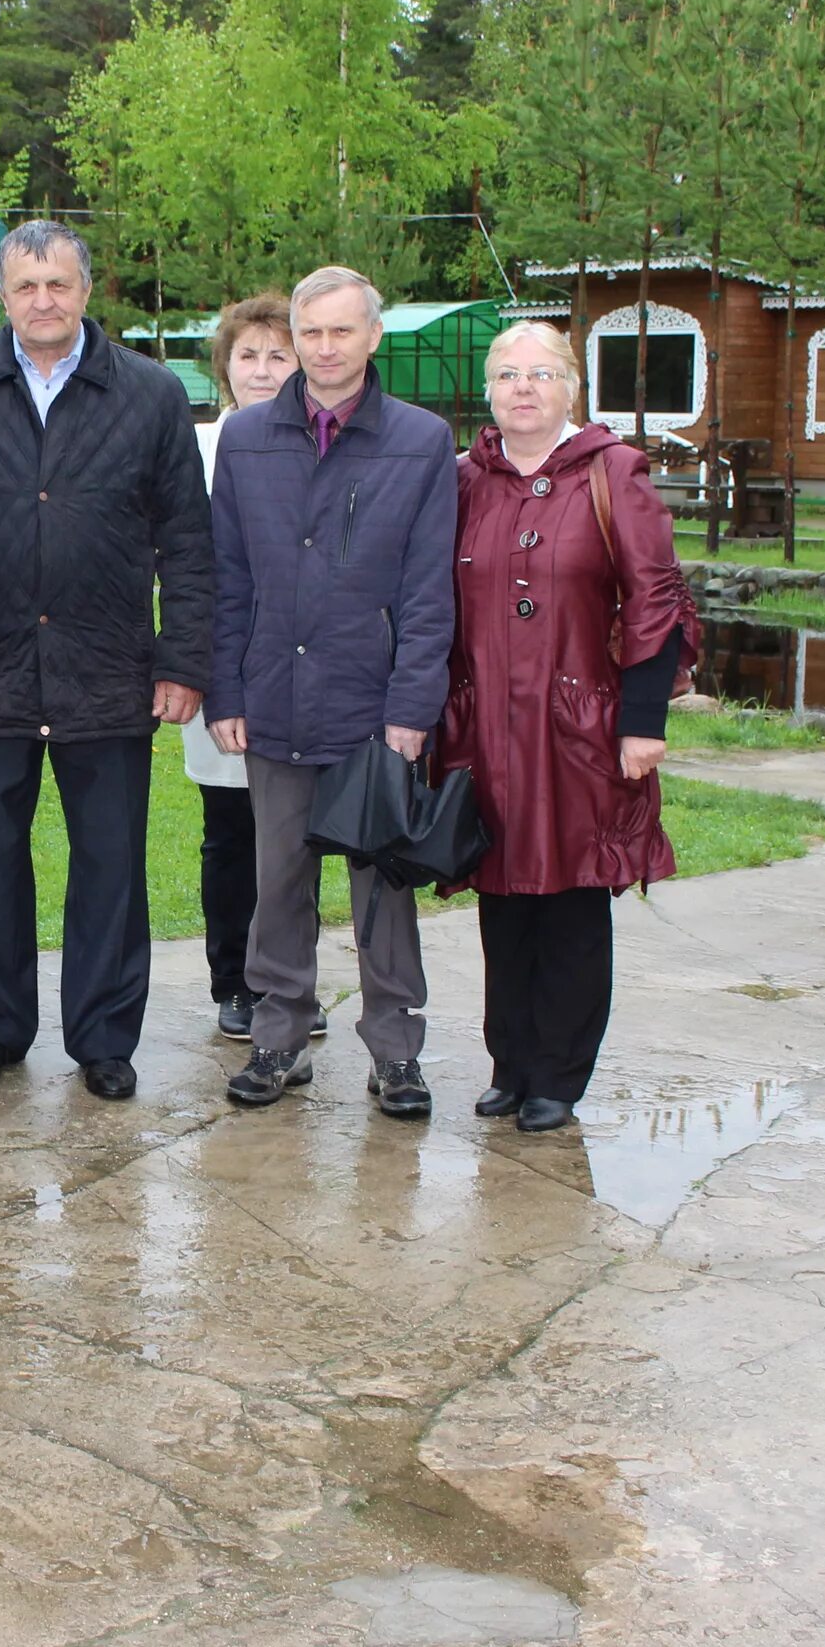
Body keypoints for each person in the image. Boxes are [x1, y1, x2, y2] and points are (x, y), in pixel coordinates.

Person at [0, 221, 212, 1101]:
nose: (44, 300)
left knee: (109, 863)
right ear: (1, 294)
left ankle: (105, 1038)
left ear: (86, 290)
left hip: (109, 669)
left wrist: (183, 659)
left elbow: (189, 540)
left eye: (60, 284)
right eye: (27, 285)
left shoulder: (149, 394)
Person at [433, 320, 698, 1133]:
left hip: (578, 724)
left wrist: (643, 721)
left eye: (541, 373)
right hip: (484, 724)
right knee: (502, 897)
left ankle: (558, 1075)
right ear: (488, 391)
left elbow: (654, 597)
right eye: (508, 373)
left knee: (574, 899)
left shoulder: (614, 474)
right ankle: (509, 1064)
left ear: (571, 388)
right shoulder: (460, 481)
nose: (523, 387)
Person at [208, 267, 458, 1120]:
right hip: (274, 697)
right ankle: (278, 1036)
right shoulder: (245, 440)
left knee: (381, 890)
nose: (323, 348)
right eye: (310, 332)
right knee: (279, 880)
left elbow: (430, 592)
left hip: (371, 705)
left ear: (372, 337)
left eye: (340, 331)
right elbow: (226, 579)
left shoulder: (421, 441)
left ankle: (396, 1053)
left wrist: (410, 709)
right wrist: (227, 690)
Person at [184, 294, 295, 1042]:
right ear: (225, 366)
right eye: (247, 355)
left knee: (294, 836)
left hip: (303, 671)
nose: (261, 369)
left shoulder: (320, 444)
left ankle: (288, 978)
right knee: (230, 832)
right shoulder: (195, 449)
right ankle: (235, 981)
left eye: (276, 355)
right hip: (220, 660)